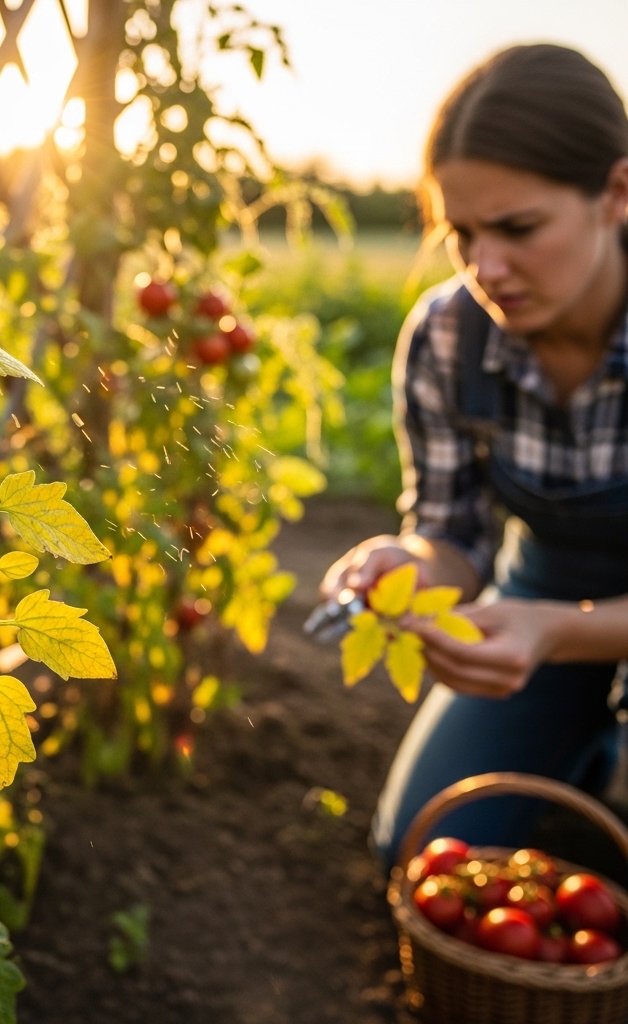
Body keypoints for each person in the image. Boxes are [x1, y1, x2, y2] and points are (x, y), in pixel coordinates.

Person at [317, 44, 628, 866]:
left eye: (520, 229)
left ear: (616, 194)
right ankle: (583, 741)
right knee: (423, 854)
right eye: (462, 233)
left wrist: (555, 634)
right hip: (547, 590)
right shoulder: (449, 335)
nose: (487, 269)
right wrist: (406, 563)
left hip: (552, 619)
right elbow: (452, 535)